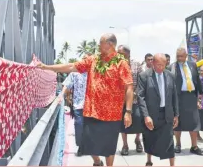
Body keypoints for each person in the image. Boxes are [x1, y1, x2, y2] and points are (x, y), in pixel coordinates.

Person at [37, 33, 133, 166]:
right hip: (92, 111)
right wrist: (47, 67)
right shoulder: (93, 60)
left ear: (110, 45)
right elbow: (71, 67)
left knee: (109, 146)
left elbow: (129, 87)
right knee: (88, 143)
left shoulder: (122, 64)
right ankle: (97, 162)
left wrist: (128, 112)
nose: (98, 45)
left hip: (112, 114)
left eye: (101, 42)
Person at [137, 53, 179, 166]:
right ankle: (149, 160)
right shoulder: (144, 76)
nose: (160, 67)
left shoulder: (170, 75)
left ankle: (172, 164)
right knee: (150, 139)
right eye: (158, 64)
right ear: (153, 63)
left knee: (169, 141)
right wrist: (146, 116)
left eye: (163, 65)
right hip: (151, 115)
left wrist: (176, 115)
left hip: (167, 114)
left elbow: (174, 96)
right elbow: (141, 97)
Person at [170, 47, 203, 156]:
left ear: (186, 56)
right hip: (178, 98)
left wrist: (200, 96)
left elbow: (197, 80)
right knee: (177, 122)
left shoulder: (192, 65)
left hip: (191, 97)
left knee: (194, 122)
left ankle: (194, 146)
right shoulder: (172, 67)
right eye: (177, 56)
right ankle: (178, 144)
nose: (179, 58)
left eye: (181, 56)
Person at [117, 45, 144, 155]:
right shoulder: (116, 65)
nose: (118, 55)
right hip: (120, 101)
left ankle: (138, 140)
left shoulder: (136, 64)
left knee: (138, 120)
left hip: (135, 99)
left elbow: (142, 81)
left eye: (121, 53)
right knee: (123, 124)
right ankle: (125, 145)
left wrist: (136, 93)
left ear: (127, 54)